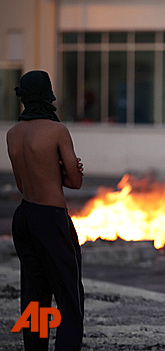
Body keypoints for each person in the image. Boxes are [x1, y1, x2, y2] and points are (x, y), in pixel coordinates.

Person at [6, 70, 85, 350]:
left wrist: (52, 173)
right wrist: (67, 171)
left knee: (35, 295)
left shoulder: (12, 134)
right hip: (51, 218)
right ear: (47, 94)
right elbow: (75, 183)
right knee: (68, 294)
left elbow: (21, 183)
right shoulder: (57, 131)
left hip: (24, 216)